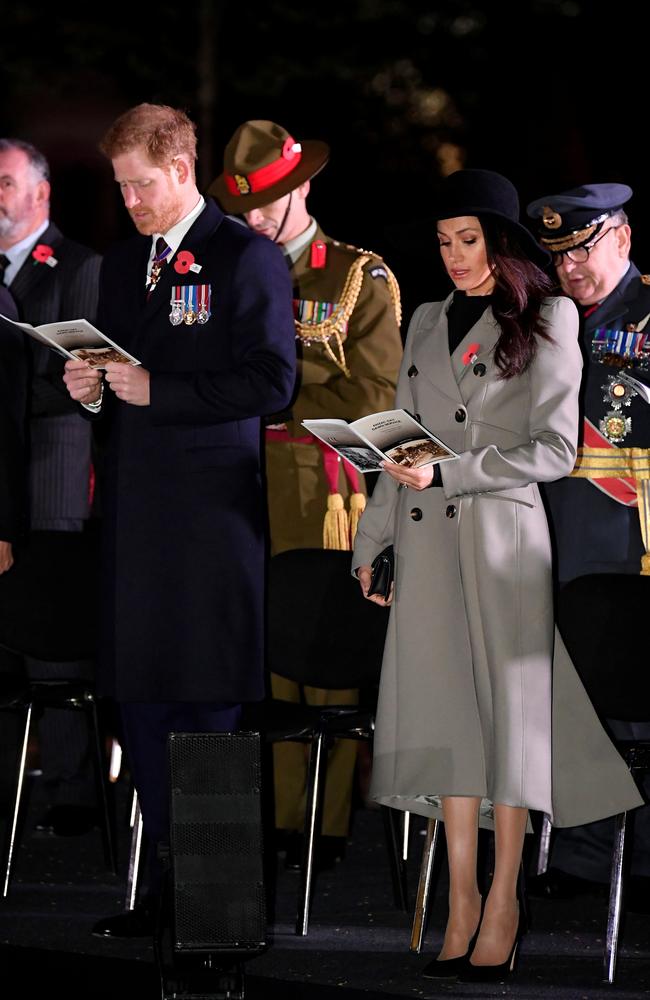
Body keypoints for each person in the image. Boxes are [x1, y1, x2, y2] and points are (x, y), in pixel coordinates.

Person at [352, 169, 643, 981]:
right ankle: (463, 896)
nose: (453, 255)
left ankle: (506, 900)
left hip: (501, 539)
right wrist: (371, 544)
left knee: (508, 726)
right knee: (448, 718)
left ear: (503, 240)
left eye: (468, 239)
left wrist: (451, 472)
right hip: (424, 540)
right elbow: (396, 446)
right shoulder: (424, 319)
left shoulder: (546, 316)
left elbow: (554, 450)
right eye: (443, 241)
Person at [62, 103, 296, 937]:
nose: (128, 202)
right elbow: (120, 375)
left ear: (181, 168)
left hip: (208, 525)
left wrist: (160, 393)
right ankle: (168, 888)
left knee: (205, 711)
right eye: (120, 187)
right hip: (134, 523)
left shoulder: (248, 257)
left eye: (140, 185)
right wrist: (90, 392)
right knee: (143, 707)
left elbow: (273, 381)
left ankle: (222, 915)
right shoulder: (125, 267)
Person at [210, 120, 403, 868]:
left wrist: (277, 394)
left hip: (318, 480)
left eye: (270, 202)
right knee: (257, 656)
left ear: (304, 187)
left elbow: (378, 392)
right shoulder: (227, 270)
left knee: (319, 653)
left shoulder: (357, 275)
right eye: (244, 205)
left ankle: (316, 825)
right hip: (236, 478)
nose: (255, 217)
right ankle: (267, 814)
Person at [524, 184, 650, 906]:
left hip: (630, 535)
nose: (569, 269)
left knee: (633, 700)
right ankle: (581, 855)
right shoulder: (549, 320)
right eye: (558, 256)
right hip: (556, 529)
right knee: (570, 695)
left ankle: (638, 859)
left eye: (583, 251)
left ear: (623, 239)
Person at [0, 138, 102, 837]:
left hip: (52, 473)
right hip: (2, 470)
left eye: (3, 182)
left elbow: (84, 379)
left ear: (40, 193)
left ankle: (74, 787)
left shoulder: (79, 266)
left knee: (56, 634)